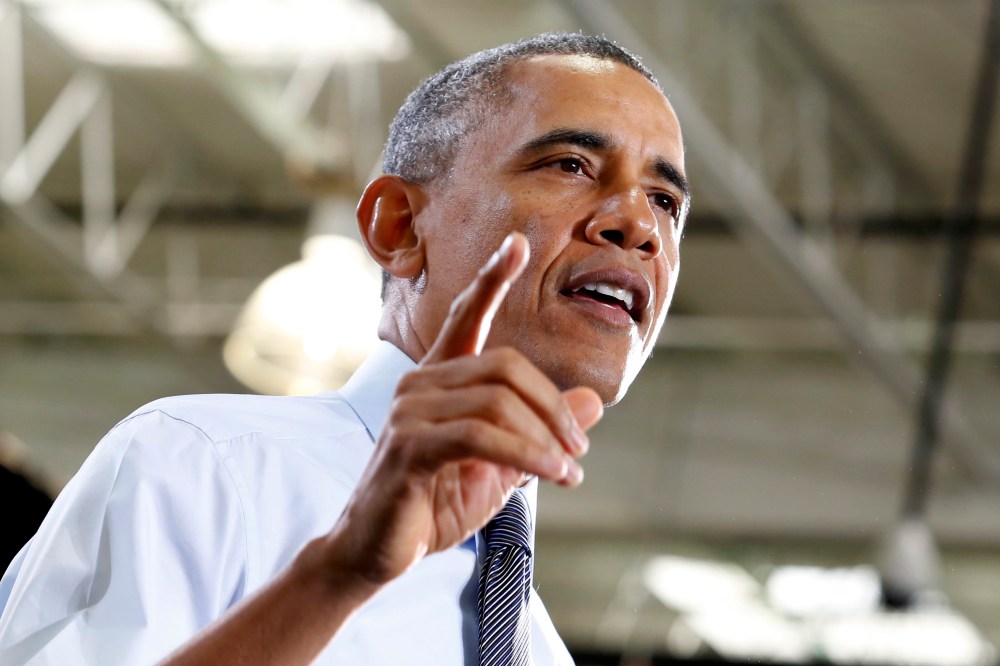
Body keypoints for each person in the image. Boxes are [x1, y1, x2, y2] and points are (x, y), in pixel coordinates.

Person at [0, 32, 689, 665]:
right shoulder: (197, 465)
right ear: (399, 225)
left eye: (665, 201)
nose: (638, 224)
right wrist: (338, 576)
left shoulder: (539, 648)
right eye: (571, 164)